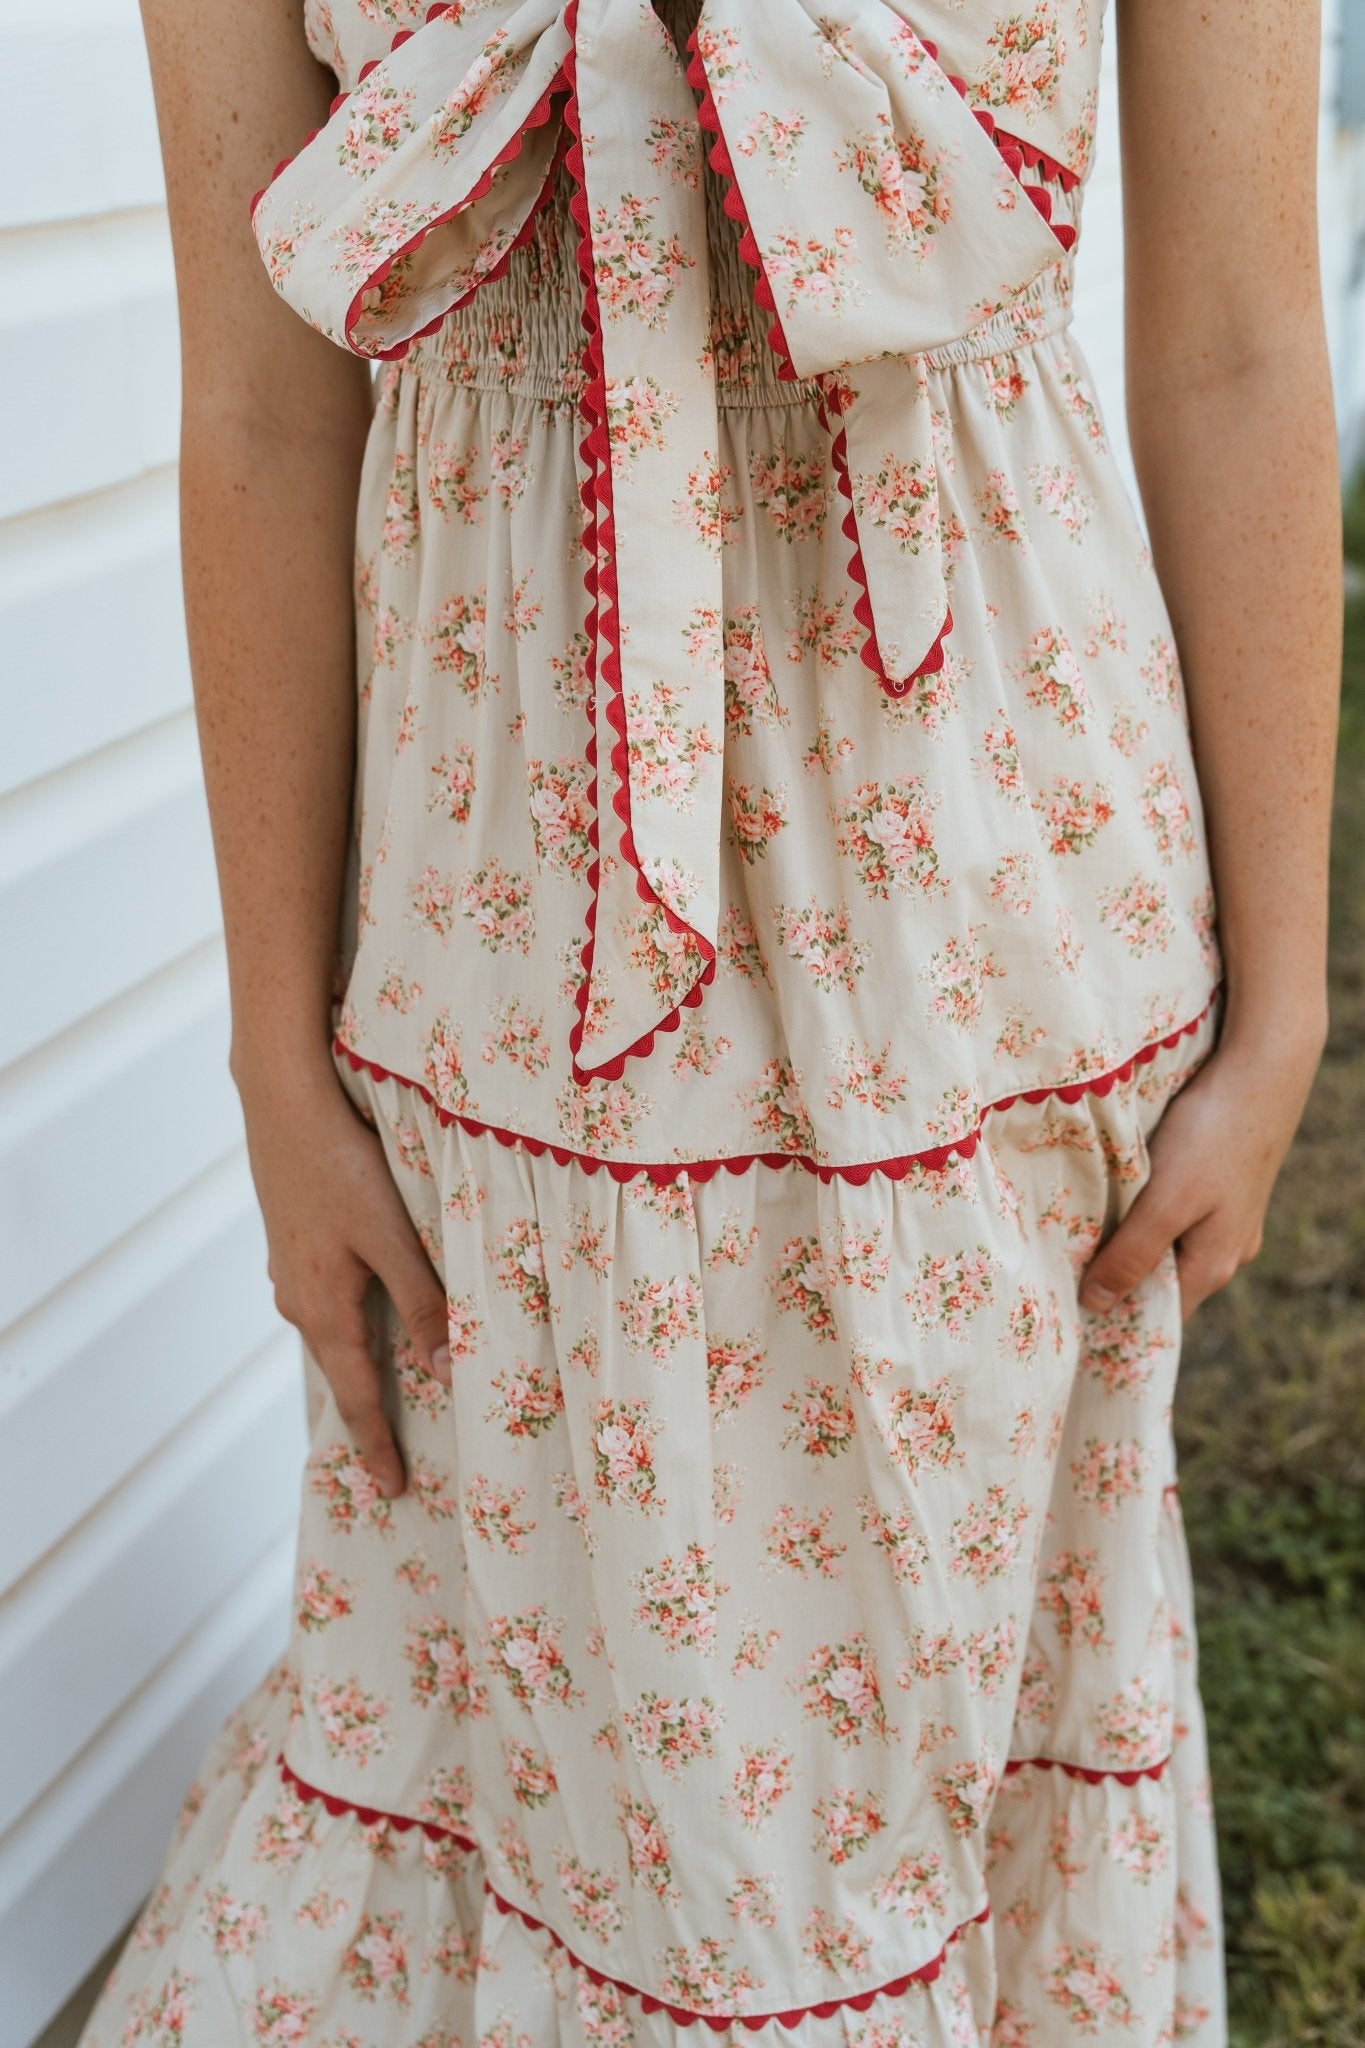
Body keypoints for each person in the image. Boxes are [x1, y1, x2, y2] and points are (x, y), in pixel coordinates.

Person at [78, 0, 1340, 2040]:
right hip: (495, 970)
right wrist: (271, 1063)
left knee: (920, 1738)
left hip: (978, 936)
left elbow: (1236, 345)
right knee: (550, 1751)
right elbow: (259, 407)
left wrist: (1281, 1010)